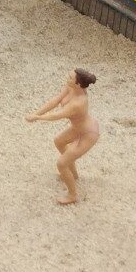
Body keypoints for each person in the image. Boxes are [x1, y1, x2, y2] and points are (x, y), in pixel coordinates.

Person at [25, 69, 100, 206]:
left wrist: (37, 118)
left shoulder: (79, 103)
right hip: (77, 128)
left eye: (70, 77)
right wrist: (36, 113)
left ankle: (72, 195)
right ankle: (73, 174)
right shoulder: (70, 87)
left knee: (61, 163)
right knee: (59, 142)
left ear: (78, 84)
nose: (67, 78)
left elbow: (57, 115)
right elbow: (55, 101)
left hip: (87, 133)